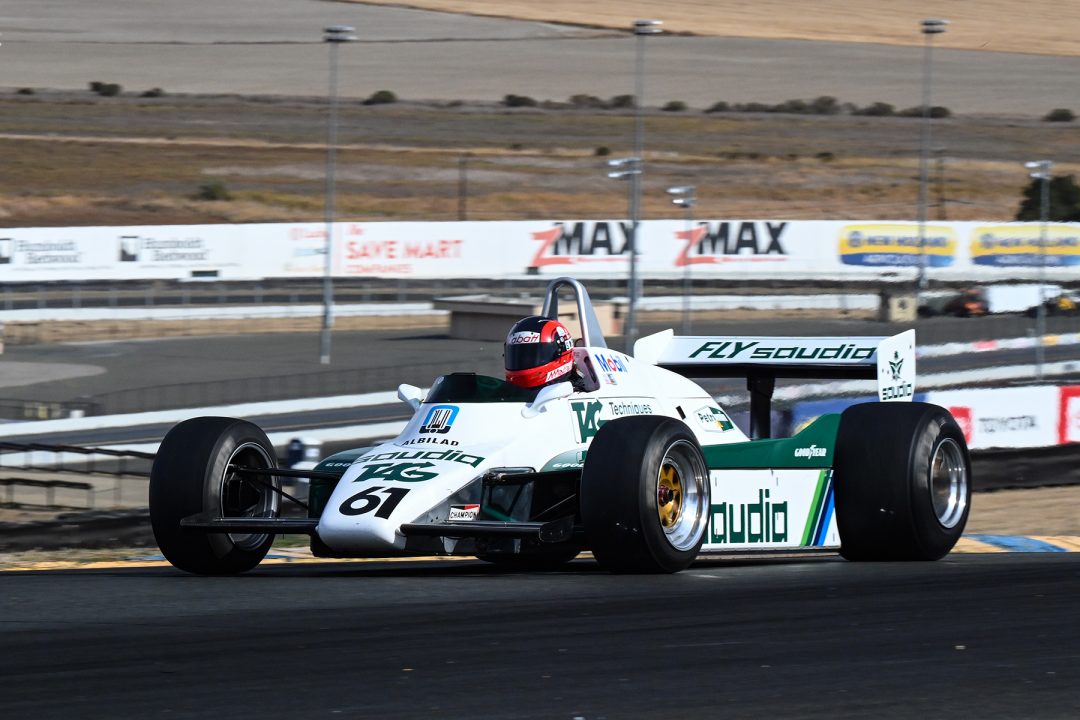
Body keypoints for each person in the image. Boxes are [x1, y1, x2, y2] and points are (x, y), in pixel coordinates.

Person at [504, 315, 578, 389]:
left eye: (531, 355)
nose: (523, 361)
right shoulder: (509, 394)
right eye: (519, 356)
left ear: (560, 353)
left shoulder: (579, 394)